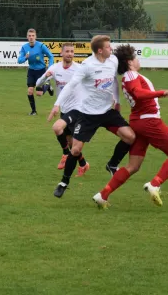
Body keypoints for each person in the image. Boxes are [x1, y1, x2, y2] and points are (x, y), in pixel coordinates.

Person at [92, 44, 168, 208]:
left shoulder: (130, 75)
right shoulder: (130, 75)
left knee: (133, 166)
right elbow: (138, 93)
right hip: (149, 121)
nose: (138, 59)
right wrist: (162, 92)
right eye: (136, 56)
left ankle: (103, 195)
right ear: (130, 61)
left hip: (140, 122)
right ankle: (155, 184)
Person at [47, 35, 136, 198]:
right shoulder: (87, 66)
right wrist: (56, 105)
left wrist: (116, 100)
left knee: (130, 137)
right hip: (87, 114)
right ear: (100, 50)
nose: (112, 49)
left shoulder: (113, 61)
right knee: (75, 150)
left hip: (107, 112)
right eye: (109, 47)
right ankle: (64, 182)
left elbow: (114, 81)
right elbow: (70, 86)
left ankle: (112, 164)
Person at [35, 43, 89, 174]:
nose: (70, 54)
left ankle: (65, 155)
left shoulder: (79, 69)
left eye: (72, 51)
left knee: (57, 128)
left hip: (77, 108)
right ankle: (83, 164)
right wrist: (45, 76)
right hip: (64, 108)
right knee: (71, 144)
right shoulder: (55, 68)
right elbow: (38, 84)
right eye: (67, 51)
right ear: (61, 53)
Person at [17, 28, 55, 115]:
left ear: (35, 36)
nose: (31, 37)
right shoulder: (24, 47)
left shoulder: (41, 46)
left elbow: (51, 56)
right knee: (30, 91)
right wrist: (25, 57)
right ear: (27, 37)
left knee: (39, 93)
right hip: (31, 71)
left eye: (33, 36)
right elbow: (19, 60)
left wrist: (49, 68)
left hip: (41, 71)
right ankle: (33, 111)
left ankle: (48, 86)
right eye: (29, 36)